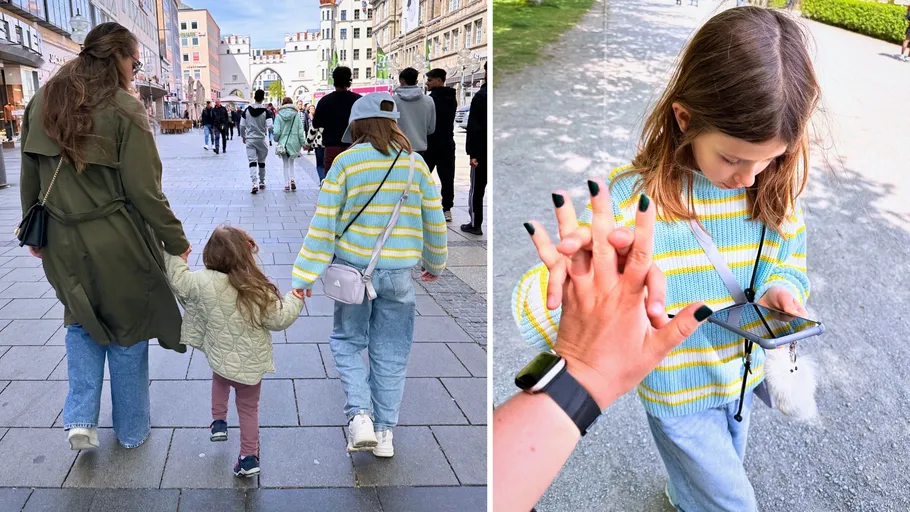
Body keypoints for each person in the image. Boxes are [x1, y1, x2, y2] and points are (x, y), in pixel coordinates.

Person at [512, 8, 818, 511]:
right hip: (677, 391)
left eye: (769, 158)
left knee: (718, 469)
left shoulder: (775, 189)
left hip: (742, 377)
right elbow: (563, 301)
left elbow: (789, 260)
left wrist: (782, 291)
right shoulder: (638, 202)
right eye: (733, 158)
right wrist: (562, 283)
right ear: (685, 118)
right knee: (733, 502)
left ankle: (683, 495)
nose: (749, 176)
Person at [19, 22, 190, 451]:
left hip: (59, 236)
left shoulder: (42, 100)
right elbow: (144, 190)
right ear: (116, 56)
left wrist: (32, 231)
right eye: (134, 59)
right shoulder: (123, 108)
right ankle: (131, 431)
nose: (136, 67)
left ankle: (80, 417)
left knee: (80, 319)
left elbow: (29, 176)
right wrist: (176, 240)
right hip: (115, 236)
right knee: (128, 328)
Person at [494, 179, 712, 512]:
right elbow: (530, 307)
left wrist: (583, 369)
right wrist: (574, 289)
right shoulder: (632, 189)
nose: (749, 178)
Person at [291, 93, 447, 457]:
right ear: (395, 124)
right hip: (398, 277)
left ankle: (359, 414)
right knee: (391, 352)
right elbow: (434, 221)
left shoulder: (346, 164)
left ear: (356, 126)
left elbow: (323, 226)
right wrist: (434, 264)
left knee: (347, 341)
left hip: (352, 274)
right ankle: (385, 433)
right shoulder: (415, 165)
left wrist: (304, 276)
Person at [165, 226, 305, 477]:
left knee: (219, 378)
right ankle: (249, 457)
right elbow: (279, 319)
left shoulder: (200, 281)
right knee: (248, 409)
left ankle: (219, 422)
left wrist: (177, 256)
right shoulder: (256, 289)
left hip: (220, 355)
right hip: (250, 366)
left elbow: (178, 281)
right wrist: (296, 298)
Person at [424, 68, 458, 222]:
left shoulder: (431, 99)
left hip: (431, 143)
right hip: (447, 143)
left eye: (430, 80)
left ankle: (420, 205)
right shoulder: (452, 98)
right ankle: (447, 208)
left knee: (423, 176)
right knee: (447, 178)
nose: (427, 83)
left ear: (438, 80)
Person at [312, 67, 361, 171]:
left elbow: (316, 123)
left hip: (332, 147)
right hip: (353, 147)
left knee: (332, 181)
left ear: (334, 80)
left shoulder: (324, 101)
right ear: (349, 80)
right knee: (353, 179)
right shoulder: (358, 100)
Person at [461, 63, 487, 236]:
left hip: (482, 152)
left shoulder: (481, 96)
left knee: (477, 189)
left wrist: (473, 153)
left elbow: (475, 128)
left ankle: (475, 223)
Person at [392, 67, 435, 153]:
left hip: (398, 148)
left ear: (401, 81)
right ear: (416, 82)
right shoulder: (428, 100)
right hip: (420, 148)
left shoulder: (392, 101)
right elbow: (431, 129)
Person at [239, 89, 274, 194]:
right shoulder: (266, 112)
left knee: (252, 162)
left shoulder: (247, 110)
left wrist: (243, 136)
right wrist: (268, 132)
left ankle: (254, 183)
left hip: (250, 139)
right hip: (261, 139)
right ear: (263, 98)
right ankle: (262, 182)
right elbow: (271, 126)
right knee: (262, 162)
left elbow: (241, 125)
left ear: (254, 97)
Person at [273, 96, 306, 192]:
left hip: (283, 142)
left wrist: (276, 139)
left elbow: (276, 131)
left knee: (285, 164)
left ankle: (286, 184)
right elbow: (300, 130)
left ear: (283, 104)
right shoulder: (296, 115)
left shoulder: (279, 115)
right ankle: (292, 179)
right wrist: (303, 143)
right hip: (294, 142)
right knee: (292, 162)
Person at [305, 104, 325, 183]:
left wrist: (307, 143)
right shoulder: (332, 117)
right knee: (329, 163)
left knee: (320, 164)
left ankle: (322, 179)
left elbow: (312, 131)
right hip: (330, 143)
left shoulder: (317, 118)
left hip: (319, 144)